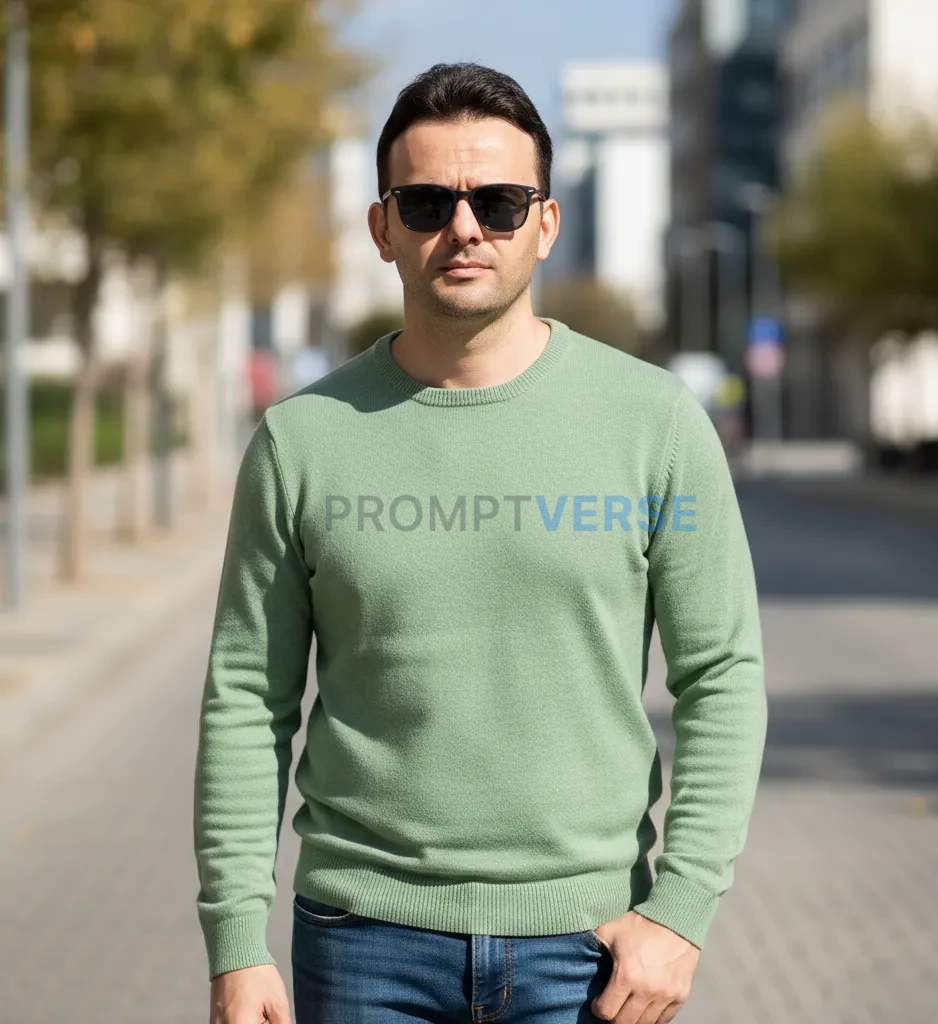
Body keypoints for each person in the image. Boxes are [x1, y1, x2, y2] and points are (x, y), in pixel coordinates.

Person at [194, 62, 767, 1024]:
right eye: (428, 202)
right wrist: (234, 939)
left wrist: (683, 909)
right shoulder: (302, 439)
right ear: (383, 227)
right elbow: (248, 696)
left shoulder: (655, 423)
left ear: (544, 222)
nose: (465, 228)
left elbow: (723, 673)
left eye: (499, 203)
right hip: (361, 941)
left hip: (589, 949)